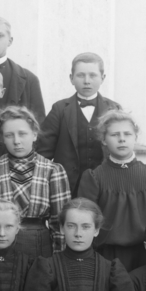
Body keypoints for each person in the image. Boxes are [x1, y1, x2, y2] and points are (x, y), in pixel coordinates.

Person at [76, 109, 146, 273]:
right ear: (104, 140)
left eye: (127, 134)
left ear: (135, 137)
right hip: (107, 255)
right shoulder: (94, 177)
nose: (121, 139)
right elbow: (85, 220)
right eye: (114, 135)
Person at [0, 105, 71, 257]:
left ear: (34, 135)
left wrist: (59, 259)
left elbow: (60, 224)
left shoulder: (53, 170)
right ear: (2, 138)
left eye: (22, 134)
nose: (16, 141)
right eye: (9, 135)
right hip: (0, 243)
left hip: (39, 244)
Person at [36, 52, 122, 194]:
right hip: (67, 186)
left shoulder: (114, 109)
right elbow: (43, 153)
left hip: (105, 186)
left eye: (93, 75)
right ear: (71, 78)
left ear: (102, 78)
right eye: (81, 75)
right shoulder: (59, 109)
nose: (87, 81)